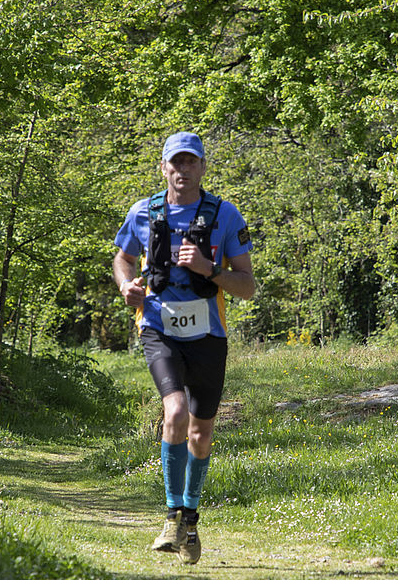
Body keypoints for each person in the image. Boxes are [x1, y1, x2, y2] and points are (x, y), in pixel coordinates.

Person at [112, 132, 255, 565]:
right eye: (175, 163)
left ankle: (190, 517)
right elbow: (121, 258)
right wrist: (127, 287)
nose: (182, 170)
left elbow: (247, 287)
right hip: (158, 328)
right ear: (163, 168)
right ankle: (172, 514)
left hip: (209, 336)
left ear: (202, 168)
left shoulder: (225, 216)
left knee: (201, 431)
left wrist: (207, 268)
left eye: (190, 162)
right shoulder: (143, 212)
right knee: (174, 411)